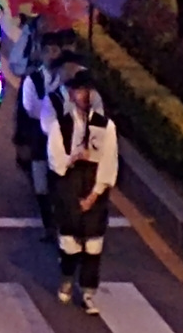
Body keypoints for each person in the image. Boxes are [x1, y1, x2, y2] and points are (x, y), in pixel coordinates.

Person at [48, 71, 118, 315]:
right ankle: (67, 277)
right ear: (71, 94)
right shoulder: (61, 126)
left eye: (88, 91)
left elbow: (109, 162)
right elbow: (55, 161)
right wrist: (73, 157)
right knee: (70, 243)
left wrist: (95, 194)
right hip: (70, 184)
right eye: (79, 91)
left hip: (93, 185)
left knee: (93, 245)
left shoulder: (105, 126)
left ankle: (88, 292)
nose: (85, 96)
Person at [18, 31, 64, 242]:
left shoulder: (68, 77)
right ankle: (49, 225)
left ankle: (62, 225)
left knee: (61, 183)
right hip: (40, 140)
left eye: (56, 50)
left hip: (64, 140)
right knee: (41, 186)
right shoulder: (32, 80)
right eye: (49, 51)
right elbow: (30, 110)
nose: (53, 55)